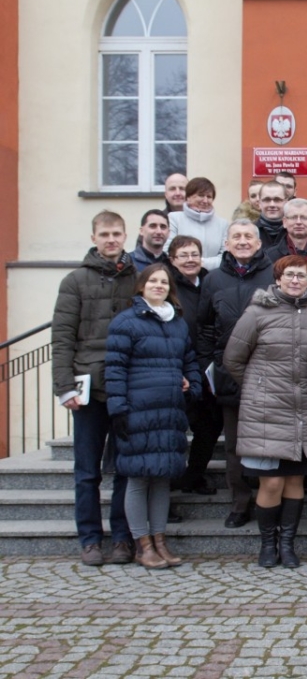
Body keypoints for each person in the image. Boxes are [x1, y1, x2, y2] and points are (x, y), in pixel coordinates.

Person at [223, 255, 307, 568]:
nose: (295, 280)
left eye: (301, 276)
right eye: (289, 275)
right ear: (278, 279)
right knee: (271, 482)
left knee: (294, 481)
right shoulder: (257, 312)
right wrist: (259, 387)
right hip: (266, 411)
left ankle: (287, 545)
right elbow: (233, 358)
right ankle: (268, 545)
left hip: (303, 409)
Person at [52, 211, 137, 566]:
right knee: (87, 471)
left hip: (127, 387)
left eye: (116, 233)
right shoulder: (75, 281)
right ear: (93, 238)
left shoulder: (138, 277)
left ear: (125, 236)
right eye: (104, 234)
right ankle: (89, 540)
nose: (111, 239)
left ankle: (121, 538)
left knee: (125, 469)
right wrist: (64, 386)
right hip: (88, 390)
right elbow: (62, 337)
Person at [105, 264, 201, 569]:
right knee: (138, 478)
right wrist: (118, 409)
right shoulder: (126, 322)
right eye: (153, 281)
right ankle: (142, 545)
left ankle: (160, 541)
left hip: (169, 411)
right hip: (138, 410)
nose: (159, 286)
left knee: (161, 478)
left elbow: (189, 360)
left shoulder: (177, 323)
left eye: (164, 282)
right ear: (141, 286)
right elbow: (115, 369)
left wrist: (192, 385)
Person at [196, 220, 275, 529]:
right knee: (234, 445)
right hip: (228, 374)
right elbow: (204, 327)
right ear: (226, 244)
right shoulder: (213, 279)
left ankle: (270, 500)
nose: (243, 241)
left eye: (248, 236)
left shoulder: (274, 274)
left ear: (259, 243)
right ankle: (240, 503)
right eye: (236, 237)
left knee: (269, 441)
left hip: (270, 375)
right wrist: (210, 365)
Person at [168, 236, 222, 497]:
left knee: (210, 426)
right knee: (177, 429)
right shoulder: (168, 288)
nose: (190, 260)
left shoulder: (210, 282)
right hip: (179, 369)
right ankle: (171, 480)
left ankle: (193, 475)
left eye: (194, 254)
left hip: (207, 365)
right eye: (183, 255)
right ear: (172, 260)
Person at [166, 177, 230, 271]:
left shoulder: (222, 224)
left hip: (212, 275)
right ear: (188, 197)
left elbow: (225, 256)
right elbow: (168, 250)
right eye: (201, 195)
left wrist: (201, 263)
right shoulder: (174, 219)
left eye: (209, 197)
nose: (205, 200)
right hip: (180, 275)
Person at [255, 181, 288, 248]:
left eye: (277, 200)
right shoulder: (249, 231)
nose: (272, 205)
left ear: (286, 202)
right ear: (259, 203)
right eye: (267, 200)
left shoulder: (294, 231)